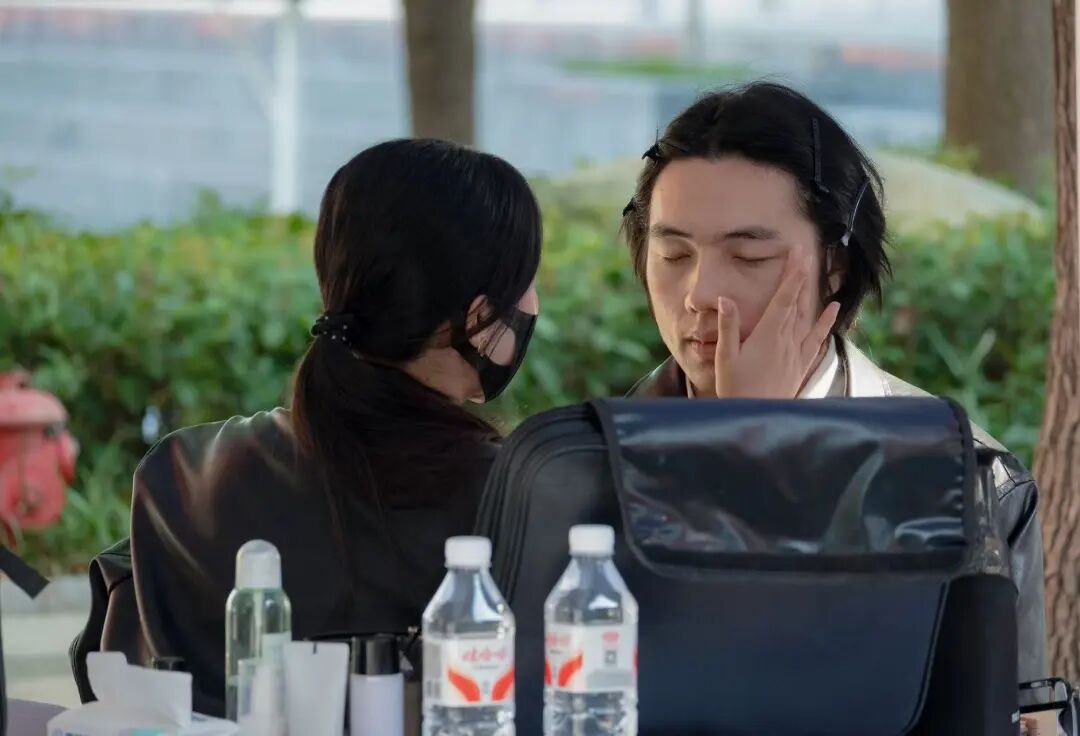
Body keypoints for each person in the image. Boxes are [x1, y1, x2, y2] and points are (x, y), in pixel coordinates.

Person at [71, 139, 542, 715]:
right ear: (476, 316)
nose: (533, 300)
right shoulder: (516, 496)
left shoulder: (181, 472)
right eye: (527, 278)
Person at [620, 81, 1047, 682]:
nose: (699, 294)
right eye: (674, 255)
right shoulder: (592, 458)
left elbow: (1004, 709)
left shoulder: (962, 483)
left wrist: (757, 446)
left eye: (748, 258)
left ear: (835, 266)